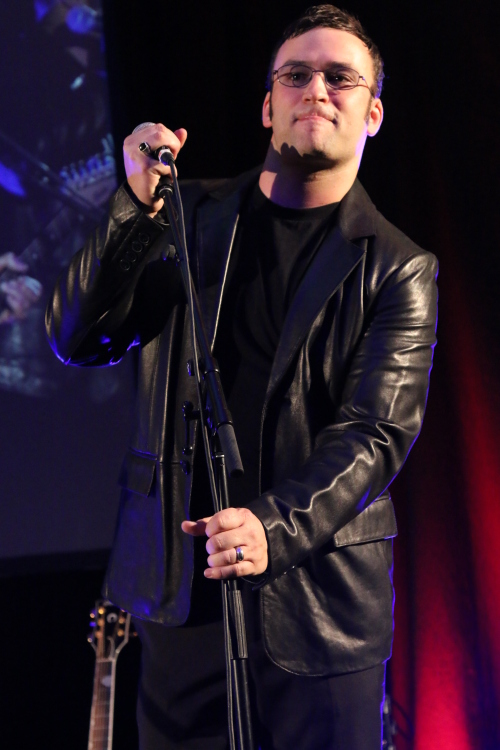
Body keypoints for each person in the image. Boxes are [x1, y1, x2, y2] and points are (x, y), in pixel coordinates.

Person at [46, 5, 438, 749]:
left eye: (340, 78)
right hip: (183, 593)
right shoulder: (183, 218)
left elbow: (375, 432)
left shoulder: (398, 267)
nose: (315, 90)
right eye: (296, 75)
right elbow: (77, 337)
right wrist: (131, 208)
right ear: (267, 105)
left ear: (373, 114)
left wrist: (270, 526)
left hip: (321, 607)